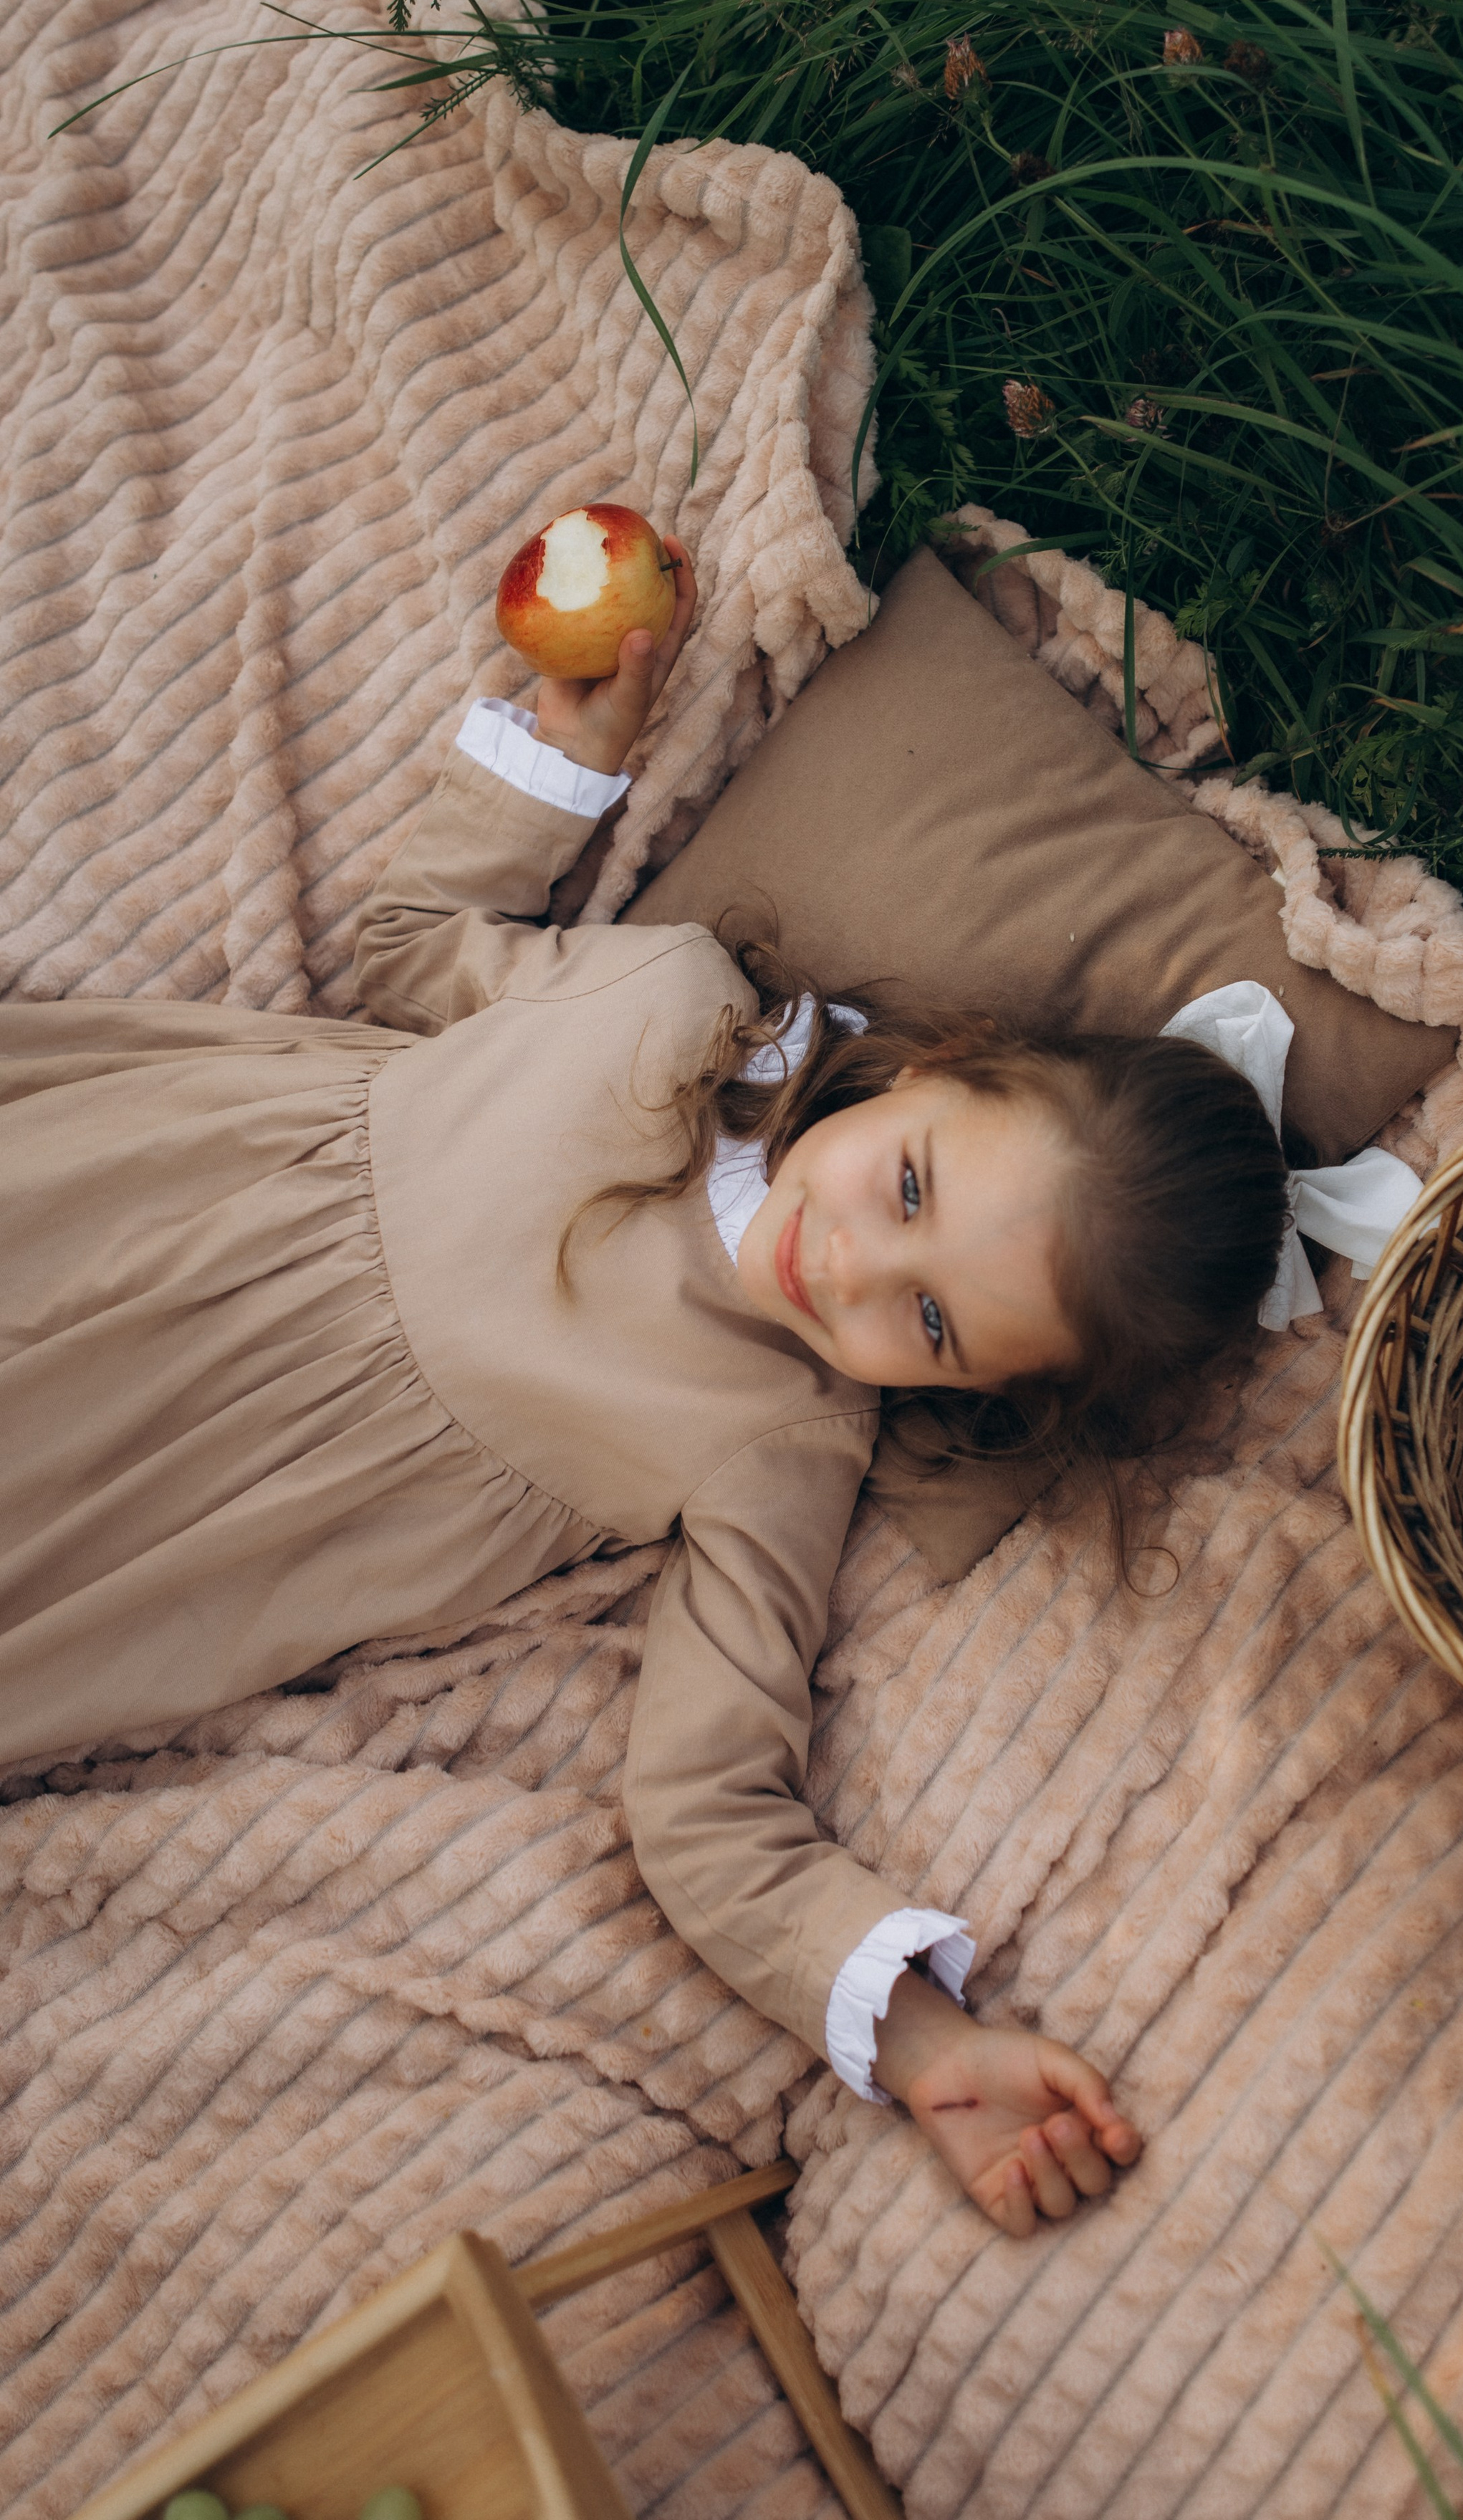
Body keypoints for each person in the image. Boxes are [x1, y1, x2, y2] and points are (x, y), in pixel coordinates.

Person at [0, 537, 1320, 2237]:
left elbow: (704, 1801)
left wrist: (917, 2037)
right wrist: (566, 749)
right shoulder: (679, 995)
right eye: (905, 1187)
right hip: (121, 1196)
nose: (847, 1266)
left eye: (926, 1327)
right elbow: (418, 946)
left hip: (136, 1499)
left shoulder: (779, 1448)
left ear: (979, 1396)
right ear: (925, 1070)